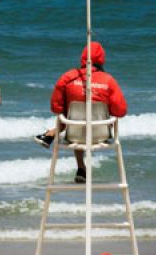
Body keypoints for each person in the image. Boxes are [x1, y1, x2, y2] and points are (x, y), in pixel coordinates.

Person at [34, 42, 128, 183]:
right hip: (101, 134)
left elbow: (55, 108)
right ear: (102, 59)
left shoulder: (67, 77)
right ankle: (54, 137)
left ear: (82, 58)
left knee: (72, 115)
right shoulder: (109, 80)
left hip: (74, 134)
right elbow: (121, 111)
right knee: (89, 115)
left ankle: (55, 138)